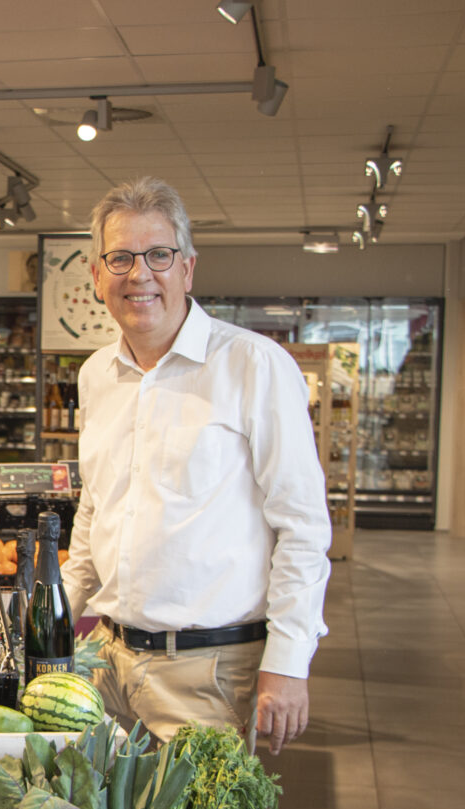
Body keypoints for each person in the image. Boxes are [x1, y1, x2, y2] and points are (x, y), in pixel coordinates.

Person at [63, 176, 331, 756]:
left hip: (209, 672)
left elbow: (302, 527)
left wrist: (288, 661)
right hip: (103, 665)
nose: (140, 274)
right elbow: (95, 509)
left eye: (159, 255)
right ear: (96, 275)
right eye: (121, 258)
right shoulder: (95, 376)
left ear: (187, 268)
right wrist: (56, 613)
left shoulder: (253, 365)